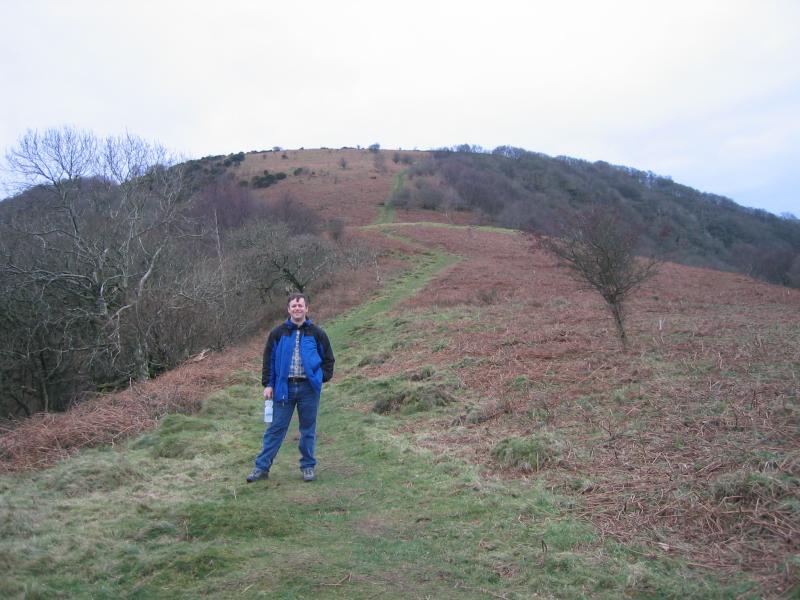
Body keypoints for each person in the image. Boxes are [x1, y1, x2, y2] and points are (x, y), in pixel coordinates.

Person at [247, 293, 335, 483]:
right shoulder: (277, 333)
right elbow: (268, 361)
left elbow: (329, 360)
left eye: (300, 305)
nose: (297, 309)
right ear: (288, 310)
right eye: (294, 306)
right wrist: (268, 384)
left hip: (308, 390)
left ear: (306, 309)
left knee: (308, 430)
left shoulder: (317, 333)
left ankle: (308, 467)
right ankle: (261, 468)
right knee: (275, 429)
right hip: (283, 389)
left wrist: (319, 378)